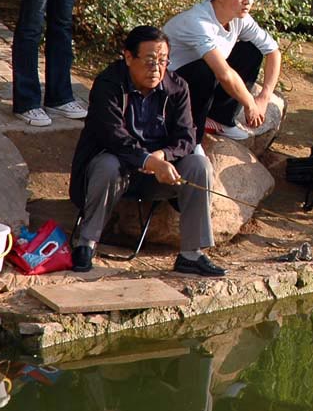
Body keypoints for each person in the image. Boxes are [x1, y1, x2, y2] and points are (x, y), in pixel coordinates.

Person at [68, 26, 225, 276]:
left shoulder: (177, 87)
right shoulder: (108, 84)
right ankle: (85, 243)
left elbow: (186, 137)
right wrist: (148, 160)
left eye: (163, 61)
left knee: (198, 165)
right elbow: (112, 136)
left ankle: (192, 253)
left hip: (158, 175)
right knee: (108, 164)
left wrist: (163, 157)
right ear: (128, 57)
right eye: (150, 60)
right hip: (117, 170)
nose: (156, 68)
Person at [164, 0, 282, 143]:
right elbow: (224, 74)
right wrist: (250, 104)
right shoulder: (199, 22)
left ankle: (222, 119)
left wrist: (264, 98)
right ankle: (192, 135)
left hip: (203, 81)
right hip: (170, 89)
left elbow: (273, 51)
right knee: (207, 68)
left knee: (252, 50)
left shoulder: (241, 18)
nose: (248, 1)